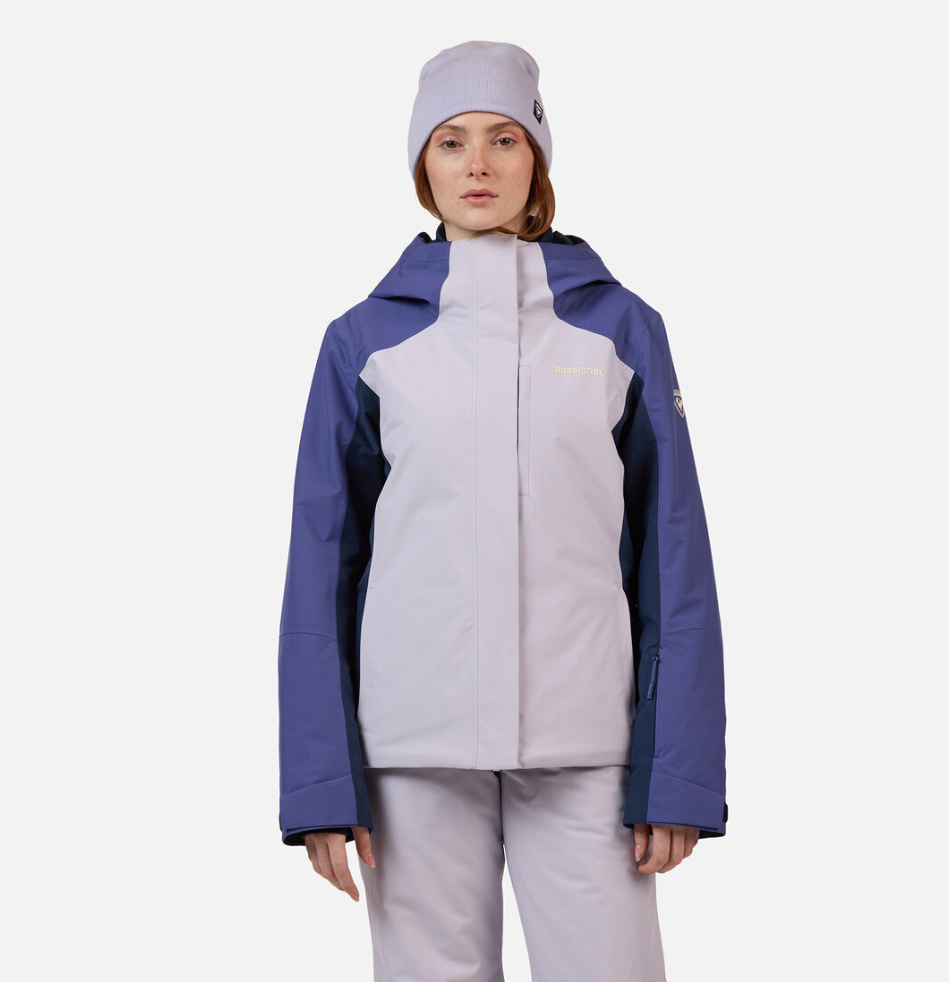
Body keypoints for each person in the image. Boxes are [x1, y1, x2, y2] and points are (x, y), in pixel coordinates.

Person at [277, 39, 727, 981]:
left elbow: (673, 556)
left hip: (588, 747)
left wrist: (677, 771)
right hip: (411, 751)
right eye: (450, 141)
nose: (476, 163)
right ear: (422, 166)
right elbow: (320, 568)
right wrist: (321, 781)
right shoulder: (363, 341)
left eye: (503, 138)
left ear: (538, 160)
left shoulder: (621, 329)